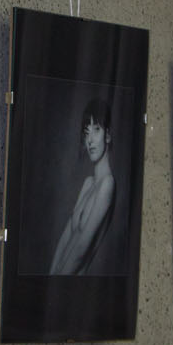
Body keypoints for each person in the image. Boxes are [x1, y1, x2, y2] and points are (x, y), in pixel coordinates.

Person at [49, 97, 116, 276]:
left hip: (72, 285)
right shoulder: (88, 184)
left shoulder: (107, 184)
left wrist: (56, 283)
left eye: (96, 130)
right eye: (87, 132)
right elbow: (66, 238)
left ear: (108, 135)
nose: (90, 140)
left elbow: (81, 250)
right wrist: (50, 277)